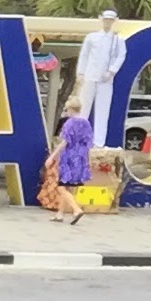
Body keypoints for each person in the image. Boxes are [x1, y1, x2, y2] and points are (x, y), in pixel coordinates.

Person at [76, 10, 127, 148]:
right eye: (106, 19)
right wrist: (80, 73)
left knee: (103, 110)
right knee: (83, 108)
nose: (108, 22)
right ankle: (79, 139)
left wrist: (112, 71)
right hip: (90, 76)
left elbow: (121, 56)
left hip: (106, 79)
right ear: (101, 19)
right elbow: (84, 55)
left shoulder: (118, 40)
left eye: (111, 20)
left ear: (115, 21)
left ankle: (99, 142)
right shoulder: (92, 37)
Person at [43, 96, 92, 225]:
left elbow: (65, 142)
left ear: (70, 109)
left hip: (69, 157)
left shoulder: (70, 123)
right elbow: (88, 141)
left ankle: (76, 210)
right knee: (67, 185)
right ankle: (60, 214)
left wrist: (52, 156)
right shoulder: (86, 123)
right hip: (80, 156)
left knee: (61, 186)